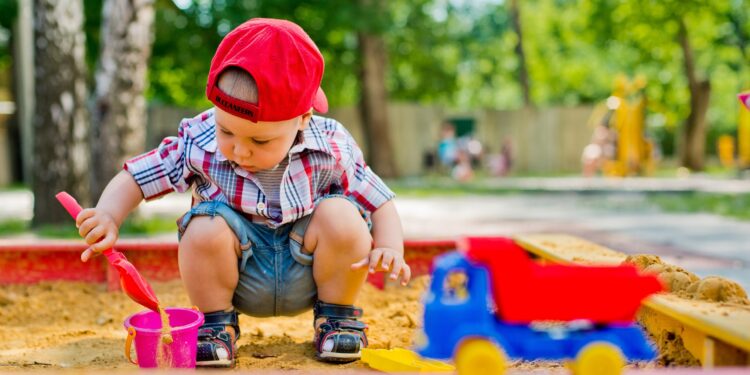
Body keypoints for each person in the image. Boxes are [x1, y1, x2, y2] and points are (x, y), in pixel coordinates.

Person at [73, 18, 410, 368]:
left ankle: (337, 319)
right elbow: (140, 175)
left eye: (260, 140)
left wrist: (389, 246)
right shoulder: (200, 138)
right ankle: (216, 327)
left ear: (303, 119)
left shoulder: (331, 144)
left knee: (342, 214)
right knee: (203, 225)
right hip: (237, 275)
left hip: (308, 271)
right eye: (227, 131)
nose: (239, 150)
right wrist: (109, 213)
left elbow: (378, 199)